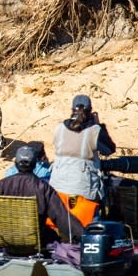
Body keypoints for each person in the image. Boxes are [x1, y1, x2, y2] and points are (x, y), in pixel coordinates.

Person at [0, 146, 84, 249]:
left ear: (16, 164)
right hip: (37, 244)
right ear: (35, 165)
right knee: (54, 236)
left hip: (4, 242)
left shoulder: (2, 185)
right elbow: (62, 217)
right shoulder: (43, 188)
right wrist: (83, 236)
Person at [48, 94, 116, 225]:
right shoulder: (95, 130)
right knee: (90, 220)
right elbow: (109, 149)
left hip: (57, 186)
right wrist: (100, 125)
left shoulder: (59, 128)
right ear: (90, 111)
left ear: (72, 110)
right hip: (84, 187)